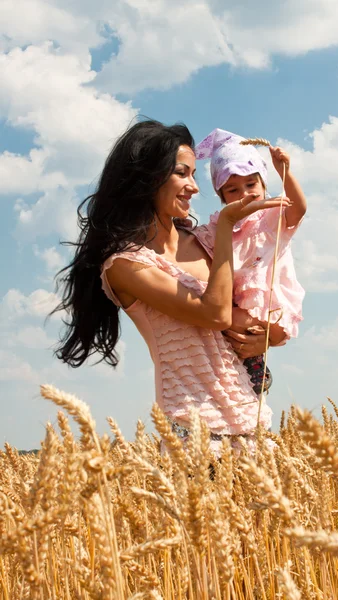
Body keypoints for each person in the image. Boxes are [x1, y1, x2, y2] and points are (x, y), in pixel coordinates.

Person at [53, 119, 291, 453]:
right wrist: (225, 225)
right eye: (182, 173)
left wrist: (274, 334)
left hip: (250, 418)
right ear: (147, 179)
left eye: (194, 174)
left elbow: (249, 304)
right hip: (195, 433)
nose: (194, 187)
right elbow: (215, 314)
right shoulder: (126, 265)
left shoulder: (203, 241)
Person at [194, 129, 307, 394]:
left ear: (264, 185)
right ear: (222, 196)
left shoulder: (270, 217)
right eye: (232, 189)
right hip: (235, 299)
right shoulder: (220, 225)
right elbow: (198, 241)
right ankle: (250, 367)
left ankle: (256, 367)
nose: (244, 193)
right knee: (226, 326)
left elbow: (298, 209)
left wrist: (285, 173)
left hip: (267, 303)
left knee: (230, 321)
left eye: (251, 185)